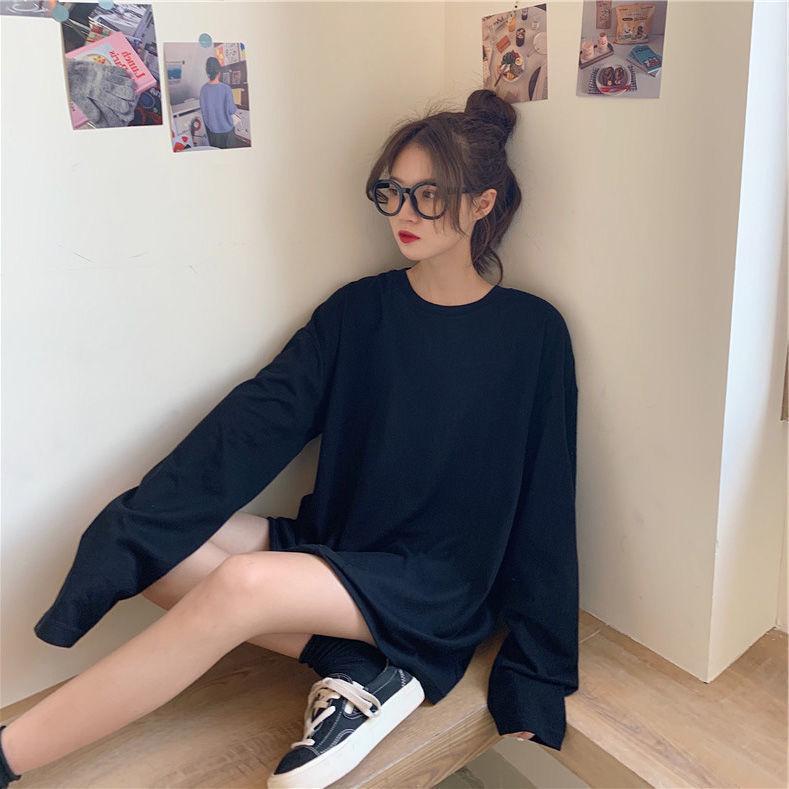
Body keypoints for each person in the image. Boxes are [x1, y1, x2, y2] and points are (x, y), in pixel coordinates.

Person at [0, 88, 579, 788]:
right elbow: (257, 421)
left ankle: (7, 756)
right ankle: (358, 664)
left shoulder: (532, 333)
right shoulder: (358, 311)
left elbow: (547, 502)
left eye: (429, 196)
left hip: (435, 582)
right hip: (341, 544)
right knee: (150, 533)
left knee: (241, 584)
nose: (403, 213)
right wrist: (127, 531)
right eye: (392, 192)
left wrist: (535, 676)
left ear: (482, 203)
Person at [198, 55, 239, 149]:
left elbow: (203, 112)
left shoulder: (203, 89)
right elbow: (232, 110)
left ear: (207, 72)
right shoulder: (226, 88)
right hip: (227, 130)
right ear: (219, 72)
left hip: (213, 131)